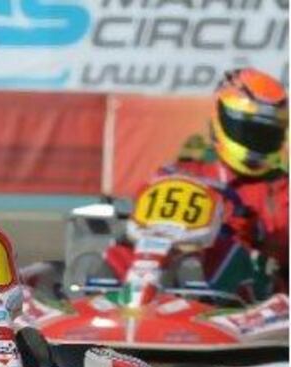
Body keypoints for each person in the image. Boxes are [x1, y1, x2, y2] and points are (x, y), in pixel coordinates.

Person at [105, 68, 288, 301]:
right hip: (161, 264)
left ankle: (196, 291)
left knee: (230, 254)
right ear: (220, 120)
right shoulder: (179, 173)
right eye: (250, 131)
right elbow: (140, 220)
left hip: (250, 292)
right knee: (114, 253)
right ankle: (97, 292)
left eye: (266, 134)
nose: (257, 141)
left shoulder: (281, 188)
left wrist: (253, 234)